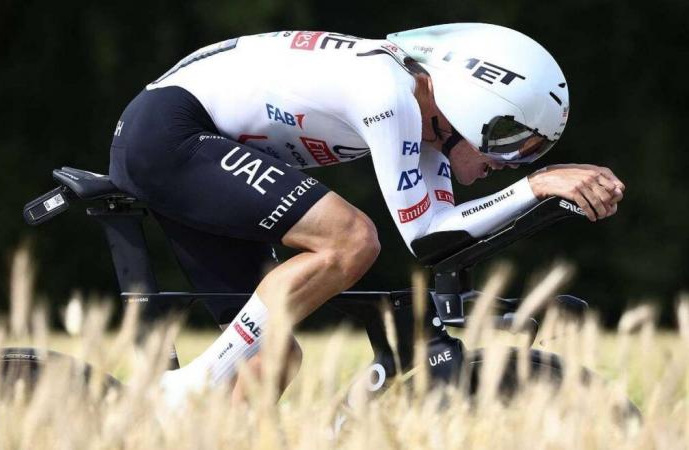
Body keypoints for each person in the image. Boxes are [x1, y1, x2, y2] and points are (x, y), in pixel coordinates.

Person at [108, 23, 624, 405]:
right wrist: (535, 187)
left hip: (188, 136)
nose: (508, 163)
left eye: (530, 153)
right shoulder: (391, 94)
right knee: (350, 239)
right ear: (468, 106)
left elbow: (445, 242)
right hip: (170, 130)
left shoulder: (429, 124)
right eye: (510, 141)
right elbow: (422, 238)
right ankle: (186, 389)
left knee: (270, 360)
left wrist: (540, 198)